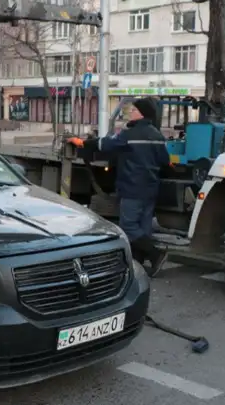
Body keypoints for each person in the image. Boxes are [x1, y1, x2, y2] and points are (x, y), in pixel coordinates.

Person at [68, 97, 170, 277]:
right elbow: (165, 161)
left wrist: (82, 142)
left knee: (129, 225)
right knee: (143, 226)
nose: (130, 112)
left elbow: (105, 144)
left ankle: (155, 253)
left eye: (134, 110)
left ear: (142, 113)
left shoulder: (129, 135)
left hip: (132, 187)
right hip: (151, 188)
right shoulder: (158, 135)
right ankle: (139, 264)